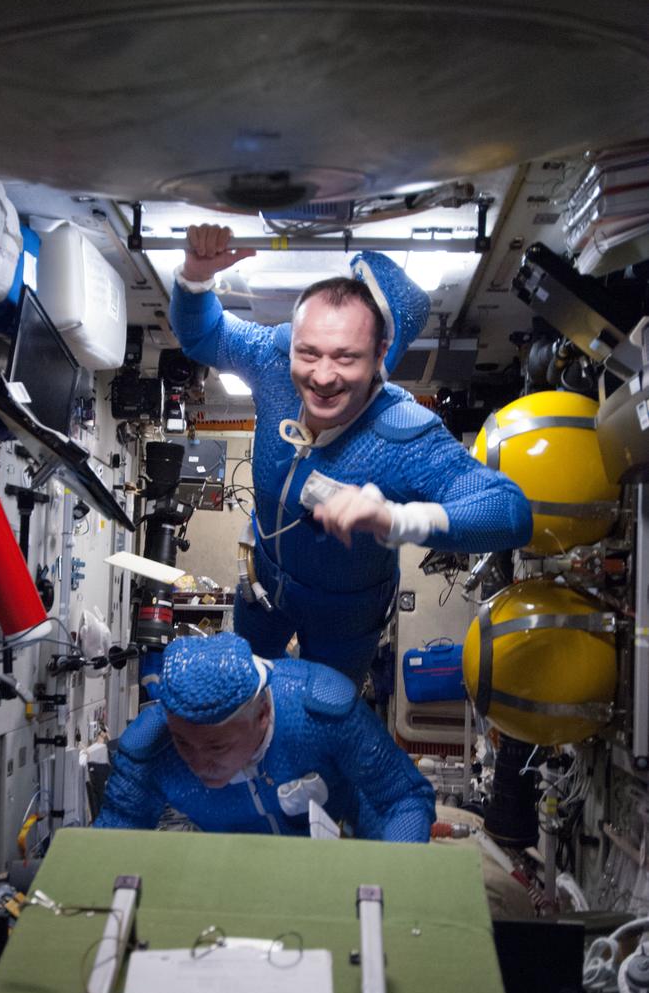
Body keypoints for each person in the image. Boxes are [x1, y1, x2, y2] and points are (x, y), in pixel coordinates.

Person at [169, 224, 532, 684]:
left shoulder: (404, 434)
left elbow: (511, 512)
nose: (323, 376)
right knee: (244, 693)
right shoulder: (274, 361)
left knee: (324, 720)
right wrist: (195, 278)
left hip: (345, 617)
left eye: (346, 357)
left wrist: (396, 521)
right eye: (310, 353)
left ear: (380, 354)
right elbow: (207, 334)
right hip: (264, 589)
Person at [94, 633, 435, 841]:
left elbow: (403, 797)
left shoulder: (321, 714)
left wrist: (393, 878)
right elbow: (112, 837)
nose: (198, 762)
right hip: (239, 869)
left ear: (263, 715)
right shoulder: (152, 746)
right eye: (184, 742)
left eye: (216, 745)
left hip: (351, 846)